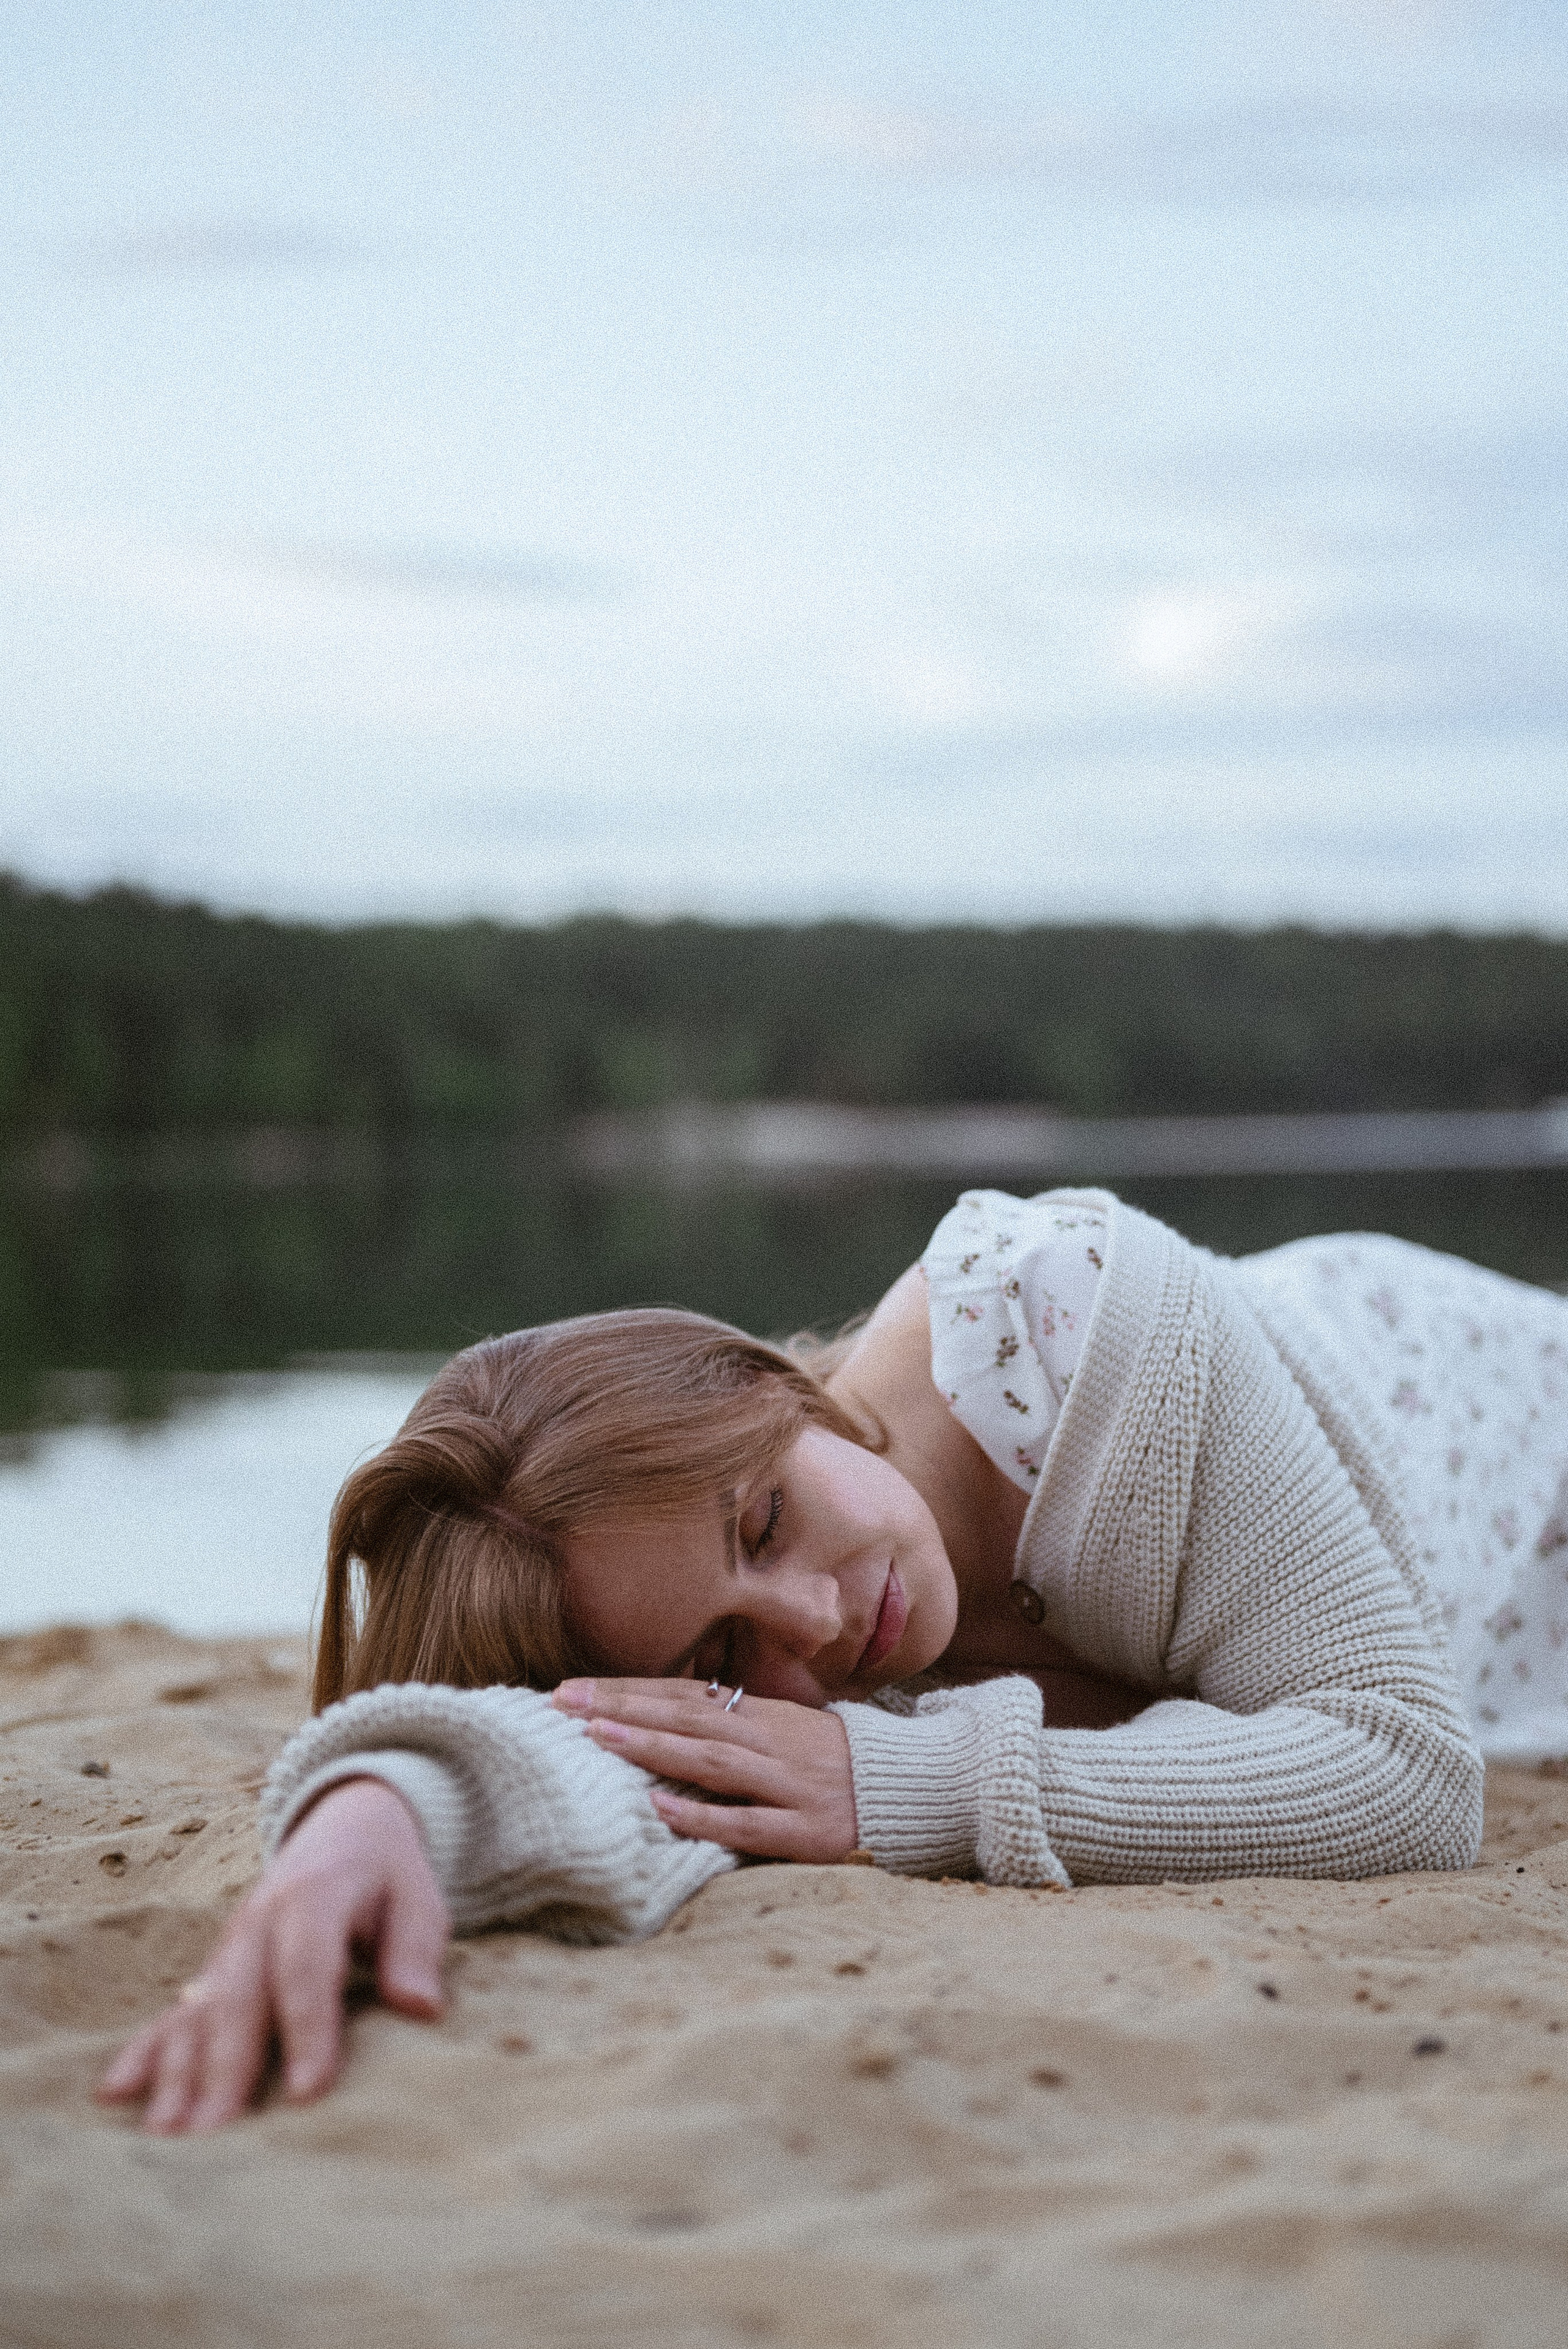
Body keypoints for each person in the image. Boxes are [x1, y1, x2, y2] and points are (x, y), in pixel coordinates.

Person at [99, 1186, 1568, 2135]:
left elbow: (1400, 1771)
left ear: (766, 1385)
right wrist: (372, 1815)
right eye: (724, 1654)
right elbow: (607, 1745)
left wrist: (901, 1779)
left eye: (763, 1517)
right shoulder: (773, 1660)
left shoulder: (1075, 1318)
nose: (810, 1626)